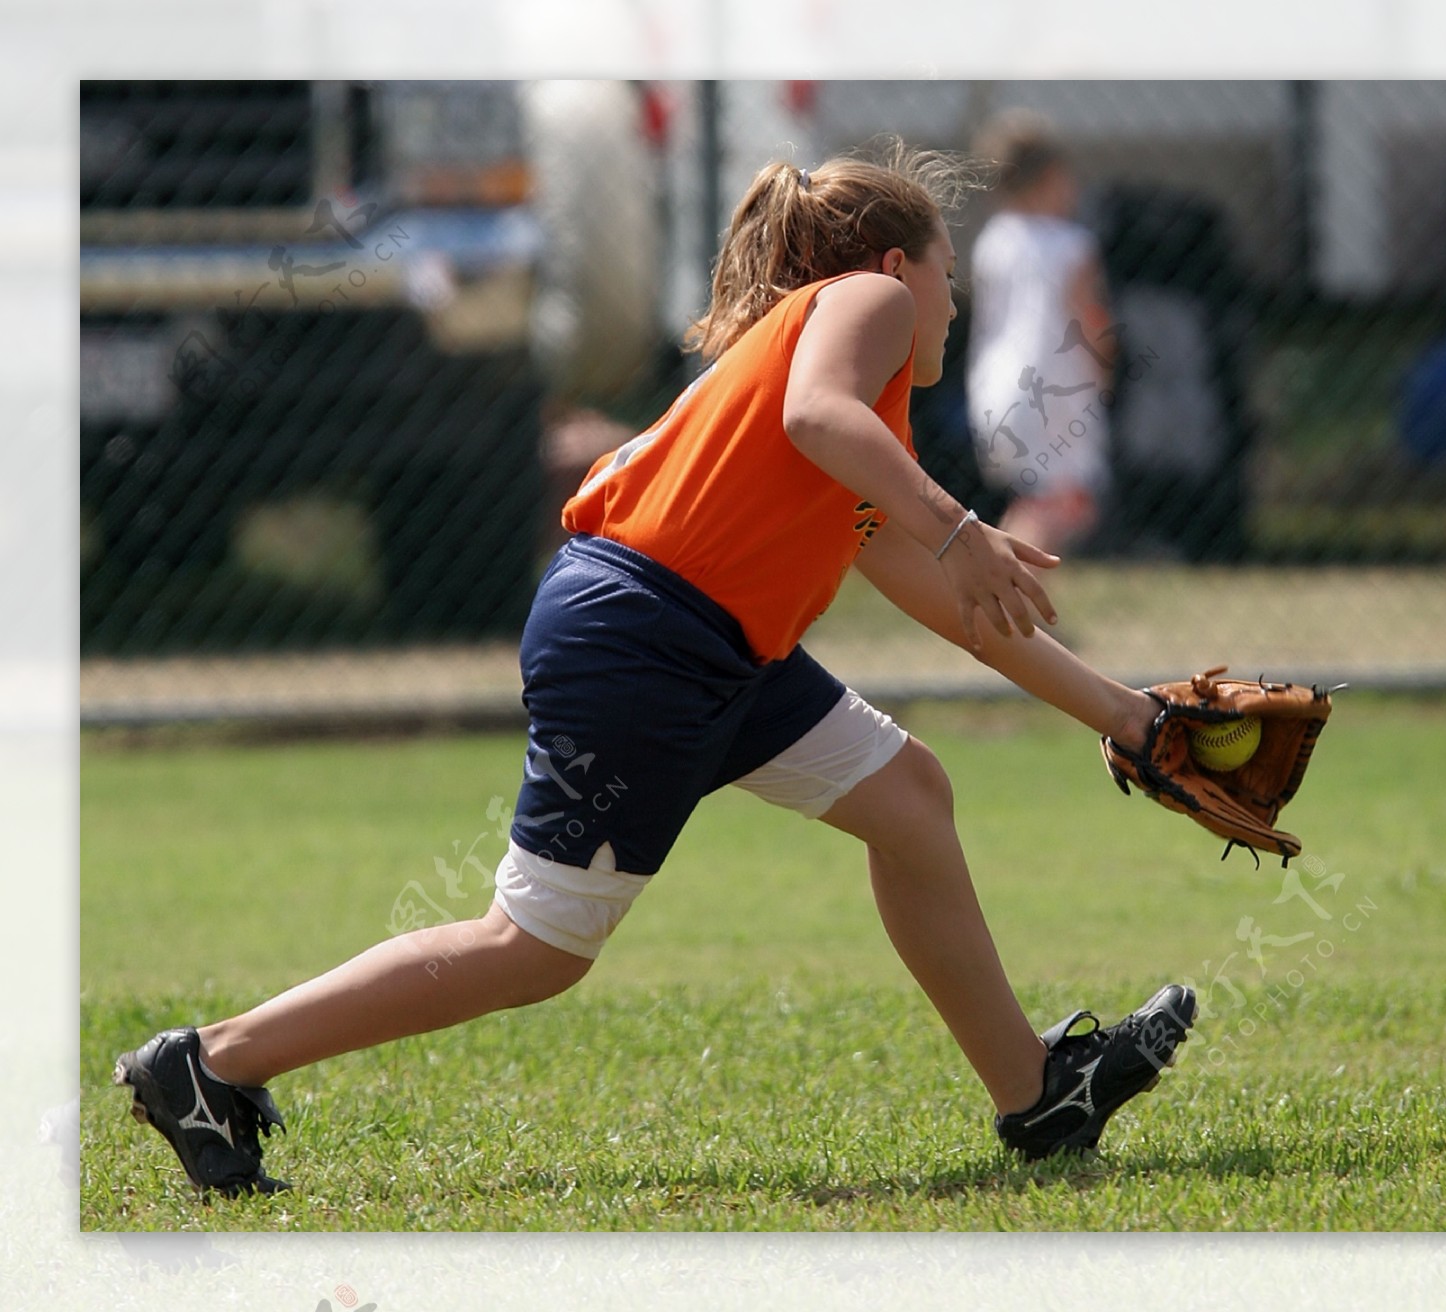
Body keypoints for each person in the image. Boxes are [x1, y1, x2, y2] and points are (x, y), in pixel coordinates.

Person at [113, 142, 1194, 1197]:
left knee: (910, 796)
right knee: (532, 947)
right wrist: (961, 524)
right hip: (649, 639)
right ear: (893, 266)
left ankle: (1036, 1093)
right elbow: (830, 430)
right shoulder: (866, 310)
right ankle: (209, 1062)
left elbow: (965, 610)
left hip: (709, 643)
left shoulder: (844, 407)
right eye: (946, 273)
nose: (949, 303)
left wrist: (1128, 716)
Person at [966, 111, 1118, 555]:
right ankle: (1016, 609)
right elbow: (1090, 317)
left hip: (996, 385)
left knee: (1036, 501)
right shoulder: (1072, 245)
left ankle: (1010, 599)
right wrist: (1106, 365)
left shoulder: (993, 240)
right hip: (1055, 387)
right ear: (1051, 177)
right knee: (1068, 501)